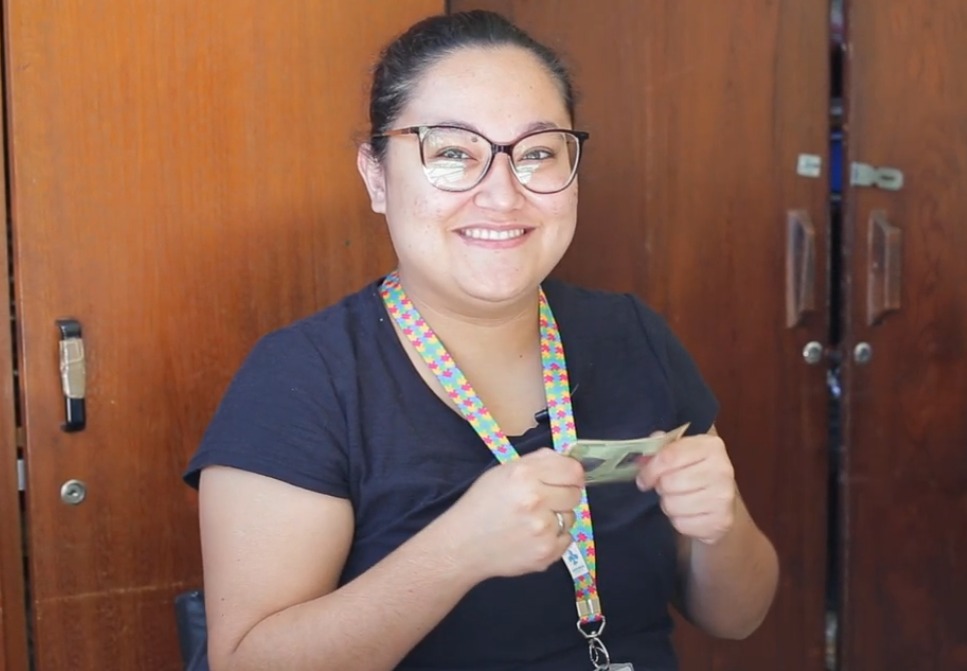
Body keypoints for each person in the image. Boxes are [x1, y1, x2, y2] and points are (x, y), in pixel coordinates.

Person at [184, 10, 779, 671]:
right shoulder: (304, 379)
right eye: (451, 153)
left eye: (536, 154)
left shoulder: (633, 335)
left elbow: (737, 615)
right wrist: (454, 553)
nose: (502, 195)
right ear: (376, 176)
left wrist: (721, 525)